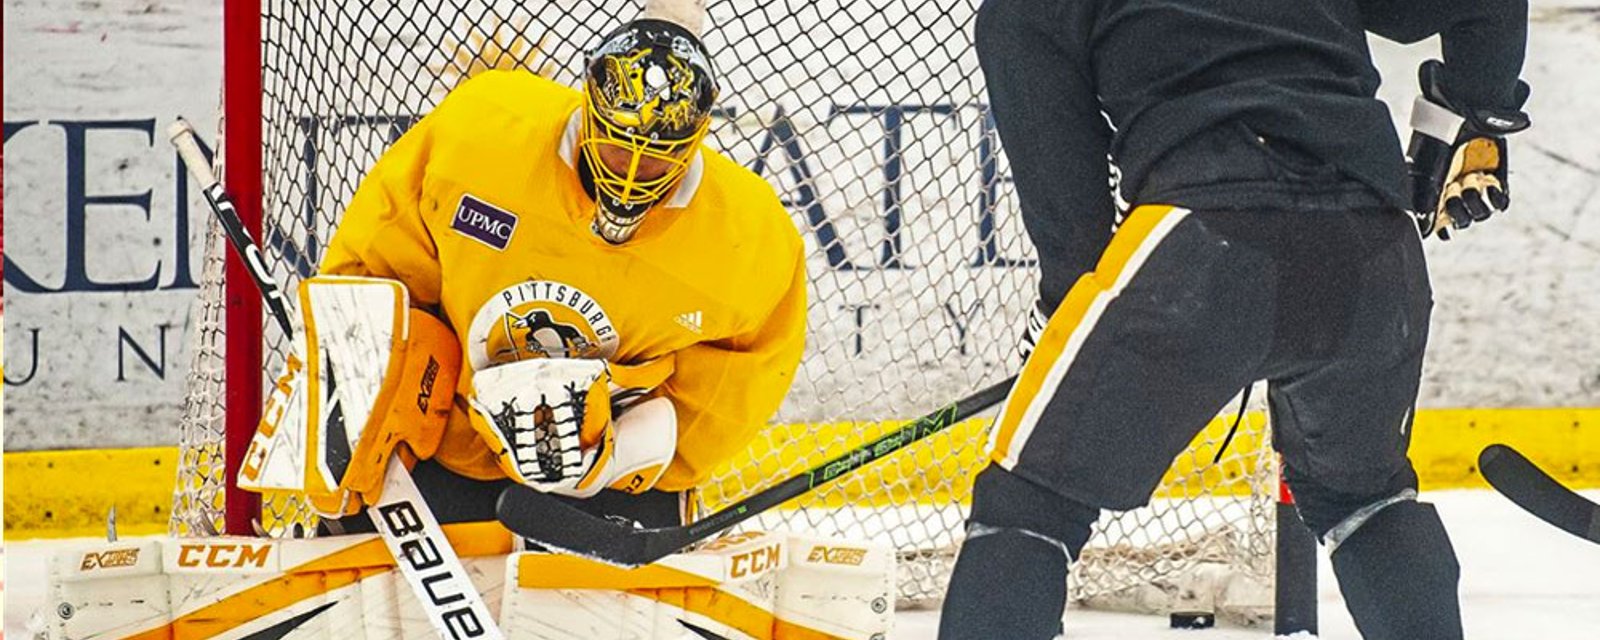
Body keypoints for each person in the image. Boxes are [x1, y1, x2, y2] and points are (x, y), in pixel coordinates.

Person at [940, 0, 1529, 638]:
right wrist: (1466, 118)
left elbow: (1073, 225)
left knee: (1028, 508)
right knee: (1366, 498)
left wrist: (1060, 327)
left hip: (1209, 242)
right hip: (1374, 248)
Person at [305, 6, 806, 533]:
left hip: (598, 477)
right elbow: (373, 273)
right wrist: (359, 400)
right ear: (588, 105)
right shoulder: (480, 137)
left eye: (657, 155)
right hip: (444, 447)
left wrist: (615, 457)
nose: (631, 172)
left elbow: (736, 383)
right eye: (617, 143)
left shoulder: (749, 239)